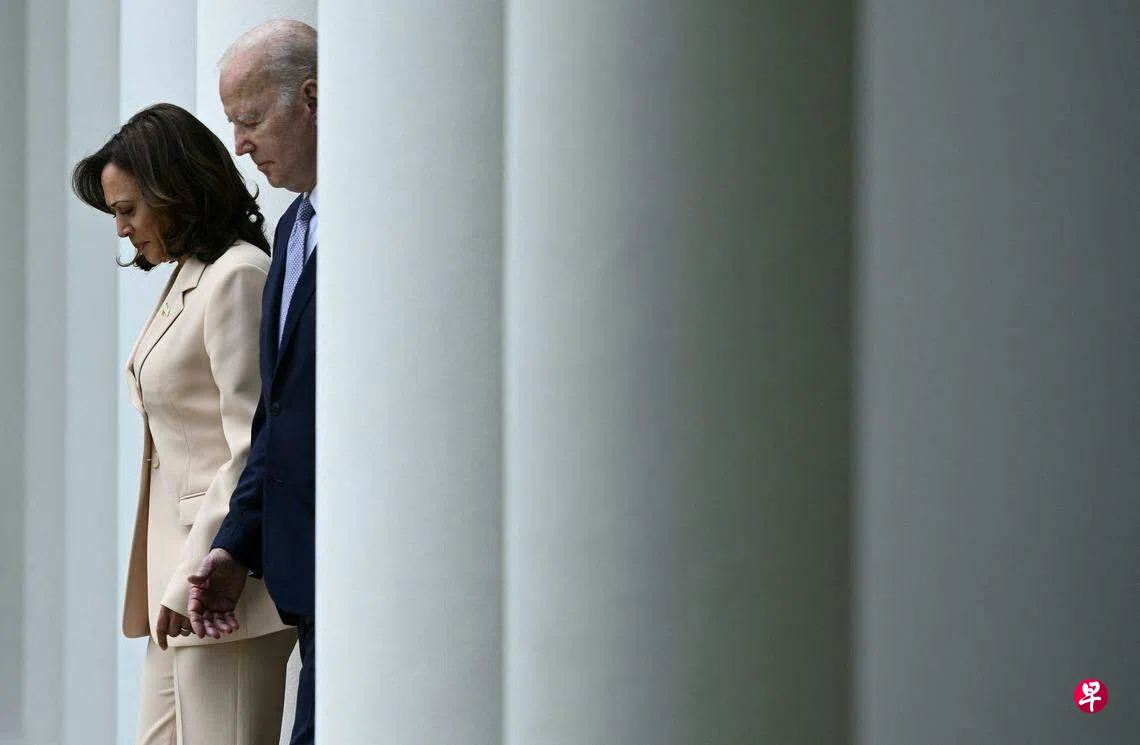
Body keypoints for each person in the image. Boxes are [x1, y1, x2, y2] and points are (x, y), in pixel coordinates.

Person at [72, 103, 295, 745]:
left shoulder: (238, 276)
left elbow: (252, 442)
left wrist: (196, 566)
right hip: (175, 585)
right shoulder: (190, 274)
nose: (123, 229)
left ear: (175, 191)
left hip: (221, 585)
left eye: (128, 210)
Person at [186, 20, 319, 745]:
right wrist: (236, 545)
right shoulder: (293, 228)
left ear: (312, 100)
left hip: (371, 554)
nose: (239, 145)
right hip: (304, 572)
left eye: (251, 120)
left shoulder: (381, 226)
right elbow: (277, 414)